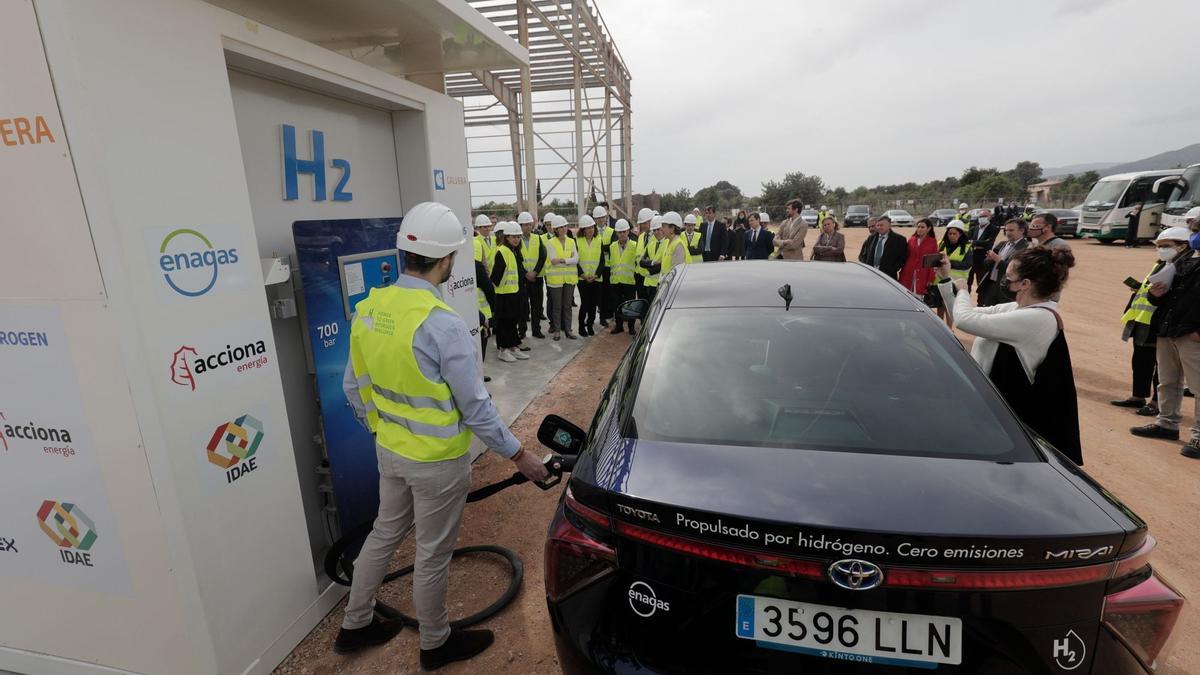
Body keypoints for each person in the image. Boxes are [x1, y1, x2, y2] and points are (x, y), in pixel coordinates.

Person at [337, 202, 549, 666]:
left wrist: (382, 427)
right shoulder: (443, 324)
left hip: (389, 450)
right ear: (448, 259)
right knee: (432, 554)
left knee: (383, 533)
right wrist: (520, 456)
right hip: (437, 462)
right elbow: (476, 408)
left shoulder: (370, 309)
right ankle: (435, 642)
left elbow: (353, 386)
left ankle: (355, 623)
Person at [934, 246, 1082, 464]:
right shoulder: (1016, 309)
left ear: (1025, 284)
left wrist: (964, 290)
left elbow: (967, 321)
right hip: (993, 415)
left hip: (1012, 426)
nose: (1005, 279)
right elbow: (963, 315)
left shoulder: (1037, 319)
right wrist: (947, 280)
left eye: (1009, 276)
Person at [1131, 227, 1200, 458]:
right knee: (1168, 381)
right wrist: (1155, 294)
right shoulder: (1181, 262)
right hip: (1168, 328)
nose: (1195, 235)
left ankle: (1199, 437)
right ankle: (1167, 424)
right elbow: (1161, 295)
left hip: (1192, 333)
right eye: (1194, 230)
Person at [1113, 229, 1190, 415]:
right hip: (1143, 321)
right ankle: (1138, 396)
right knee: (1140, 361)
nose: (1161, 250)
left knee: (1161, 366)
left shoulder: (1183, 268)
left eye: (1166, 246)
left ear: (1182, 246)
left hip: (1159, 323)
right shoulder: (1164, 264)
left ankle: (1156, 402)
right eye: (1159, 246)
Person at [489, 223, 529, 362]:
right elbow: (495, 277)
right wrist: (503, 287)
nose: (517, 239)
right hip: (504, 295)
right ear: (506, 237)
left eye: (518, 237)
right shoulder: (503, 251)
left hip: (514, 293)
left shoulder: (514, 250)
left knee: (512, 322)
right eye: (513, 237)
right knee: (504, 323)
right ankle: (503, 350)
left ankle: (513, 347)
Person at [976, 219, 1030, 306]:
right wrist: (989, 260)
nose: (1008, 233)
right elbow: (986, 265)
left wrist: (997, 259)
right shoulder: (1002, 244)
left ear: (1022, 230)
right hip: (991, 285)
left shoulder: (1026, 247)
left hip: (1007, 288)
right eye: (1006, 230)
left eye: (1011, 230)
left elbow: (1016, 270)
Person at [545, 215, 579, 341]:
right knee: (557, 306)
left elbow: (576, 259)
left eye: (565, 226)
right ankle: (557, 330)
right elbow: (553, 260)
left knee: (567, 306)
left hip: (569, 279)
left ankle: (568, 330)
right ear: (555, 229)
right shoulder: (550, 243)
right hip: (556, 281)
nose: (564, 229)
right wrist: (569, 260)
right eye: (560, 227)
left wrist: (563, 260)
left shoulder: (571, 241)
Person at [935, 220, 972, 325]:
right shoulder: (941, 244)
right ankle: (940, 326)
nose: (951, 236)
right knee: (940, 306)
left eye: (954, 233)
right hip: (940, 281)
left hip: (956, 283)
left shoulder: (967, 247)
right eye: (949, 233)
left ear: (960, 234)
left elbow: (967, 264)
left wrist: (948, 263)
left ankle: (949, 328)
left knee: (950, 306)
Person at [517, 212, 546, 340]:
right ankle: (522, 331)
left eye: (529, 224)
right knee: (523, 307)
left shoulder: (537, 238)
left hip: (536, 278)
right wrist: (525, 274)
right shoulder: (516, 240)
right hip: (523, 279)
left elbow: (542, 256)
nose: (528, 227)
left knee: (536, 306)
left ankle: (536, 330)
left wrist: (535, 272)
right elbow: (515, 259)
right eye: (525, 225)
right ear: (520, 226)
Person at [575, 214, 604, 336]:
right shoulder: (577, 242)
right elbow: (575, 261)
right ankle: (582, 327)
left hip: (596, 278)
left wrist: (596, 275)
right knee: (585, 303)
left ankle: (590, 325)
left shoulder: (599, 240)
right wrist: (583, 275)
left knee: (593, 304)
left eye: (592, 227)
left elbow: (602, 260)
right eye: (587, 228)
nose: (590, 230)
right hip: (583, 279)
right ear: (583, 230)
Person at [607, 219, 638, 334]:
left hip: (629, 281)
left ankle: (631, 327)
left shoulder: (635, 245)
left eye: (624, 232)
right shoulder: (612, 247)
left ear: (628, 231)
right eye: (620, 232)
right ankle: (619, 326)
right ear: (616, 233)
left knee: (630, 306)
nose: (622, 234)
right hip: (615, 281)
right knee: (617, 305)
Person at [899, 218, 939, 299]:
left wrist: (931, 279)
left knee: (919, 298)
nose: (919, 229)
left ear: (929, 228)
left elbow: (933, 262)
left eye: (922, 227)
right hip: (908, 273)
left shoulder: (932, 242)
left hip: (923, 274)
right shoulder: (911, 239)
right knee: (906, 296)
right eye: (918, 227)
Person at [858, 215, 906, 280]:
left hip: (888, 277)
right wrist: (867, 267)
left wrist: (892, 270)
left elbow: (902, 258)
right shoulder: (871, 238)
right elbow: (863, 255)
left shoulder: (899, 240)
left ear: (889, 226)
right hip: (871, 275)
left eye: (882, 225)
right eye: (878, 225)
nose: (879, 227)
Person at [967, 209, 999, 292]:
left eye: (985, 216)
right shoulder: (974, 228)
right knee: (967, 282)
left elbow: (988, 244)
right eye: (980, 216)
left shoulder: (993, 228)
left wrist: (973, 242)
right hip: (970, 258)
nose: (982, 218)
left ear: (990, 217)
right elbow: (967, 241)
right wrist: (979, 244)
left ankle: (981, 303)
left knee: (981, 282)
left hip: (982, 259)